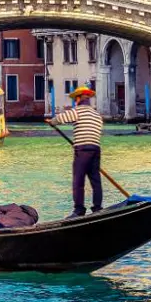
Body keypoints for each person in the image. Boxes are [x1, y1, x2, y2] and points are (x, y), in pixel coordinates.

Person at [48, 86, 103, 217]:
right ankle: (97, 208)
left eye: (76, 99)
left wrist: (52, 122)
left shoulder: (78, 111)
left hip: (82, 150)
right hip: (95, 149)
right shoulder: (97, 115)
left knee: (78, 181)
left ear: (79, 99)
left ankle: (79, 210)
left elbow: (61, 118)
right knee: (95, 180)